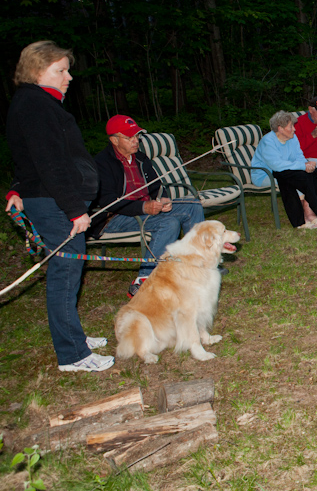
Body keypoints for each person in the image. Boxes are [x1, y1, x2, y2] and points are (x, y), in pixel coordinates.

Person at [5, 41, 114, 372]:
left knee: (70, 271)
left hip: (52, 200)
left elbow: (29, 158)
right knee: (65, 274)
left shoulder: (37, 103)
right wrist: (73, 210)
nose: (69, 77)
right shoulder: (35, 105)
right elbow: (49, 163)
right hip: (54, 205)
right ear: (38, 71)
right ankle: (73, 355)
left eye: (68, 69)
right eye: (61, 70)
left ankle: (74, 336)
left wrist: (15, 188)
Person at [89, 114, 206, 298]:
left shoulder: (141, 158)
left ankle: (198, 265)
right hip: (115, 217)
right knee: (169, 223)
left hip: (146, 209)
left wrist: (164, 199)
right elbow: (108, 202)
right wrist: (144, 208)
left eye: (137, 136)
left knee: (192, 205)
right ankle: (144, 280)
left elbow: (156, 186)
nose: (136, 141)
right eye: (129, 138)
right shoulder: (101, 163)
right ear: (114, 140)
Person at [251, 111, 317, 230]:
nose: (294, 129)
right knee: (288, 181)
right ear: (280, 129)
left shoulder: (292, 137)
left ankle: (310, 213)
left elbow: (299, 156)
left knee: (311, 174)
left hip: (286, 171)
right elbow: (277, 165)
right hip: (265, 175)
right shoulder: (268, 142)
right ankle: (301, 221)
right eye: (291, 126)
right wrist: (302, 166)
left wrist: (306, 165)